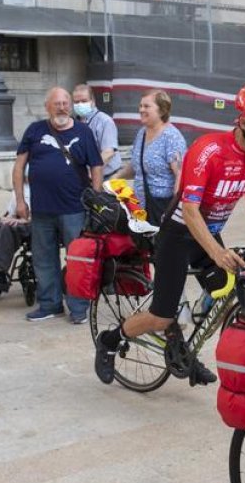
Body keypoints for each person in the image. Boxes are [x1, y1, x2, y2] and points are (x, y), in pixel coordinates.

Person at [94, 83, 245, 387]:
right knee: (162, 316)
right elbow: (189, 210)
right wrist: (216, 253)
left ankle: (184, 350)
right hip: (177, 236)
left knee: (228, 292)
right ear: (244, 121)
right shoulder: (208, 150)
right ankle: (110, 340)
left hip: (208, 235)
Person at [13, 86, 103, 324]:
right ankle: (50, 304)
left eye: (65, 103)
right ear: (47, 106)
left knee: (77, 260)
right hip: (42, 209)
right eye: (57, 103)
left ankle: (79, 307)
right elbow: (19, 166)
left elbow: (96, 165)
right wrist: (20, 200)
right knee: (43, 259)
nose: (62, 107)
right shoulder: (35, 130)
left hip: (74, 208)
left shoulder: (84, 132)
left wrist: (96, 196)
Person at [113, 89, 186, 224]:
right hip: (139, 208)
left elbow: (180, 175)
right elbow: (137, 165)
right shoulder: (142, 133)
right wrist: (115, 177)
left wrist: (173, 212)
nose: (141, 110)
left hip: (162, 209)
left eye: (146, 106)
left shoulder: (172, 137)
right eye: (140, 106)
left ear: (162, 111)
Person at [73, 83, 122, 179]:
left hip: (106, 176)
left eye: (84, 101)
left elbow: (108, 152)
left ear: (92, 101)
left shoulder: (104, 121)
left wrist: (93, 173)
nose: (80, 105)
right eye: (76, 102)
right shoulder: (73, 123)